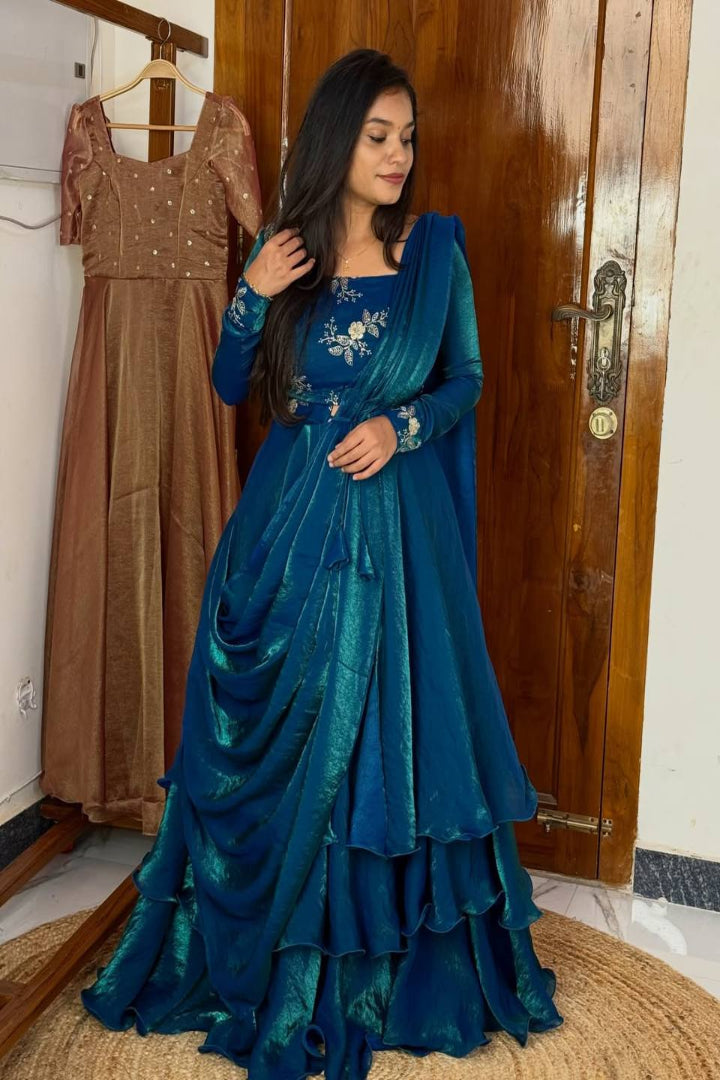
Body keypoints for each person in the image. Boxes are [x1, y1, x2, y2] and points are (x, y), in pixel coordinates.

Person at [80, 47, 563, 1080]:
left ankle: (382, 968)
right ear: (339, 139)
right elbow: (227, 385)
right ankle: (269, 951)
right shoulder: (282, 251)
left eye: (409, 138)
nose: (399, 156)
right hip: (287, 537)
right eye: (379, 136)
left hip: (398, 541)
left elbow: (467, 379)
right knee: (282, 738)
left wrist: (402, 426)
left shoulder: (435, 254)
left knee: (393, 736)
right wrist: (248, 294)